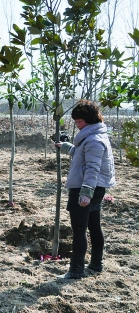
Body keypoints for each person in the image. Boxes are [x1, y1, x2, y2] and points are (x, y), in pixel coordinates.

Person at [55, 100, 116, 279]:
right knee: (94, 226)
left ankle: (76, 270)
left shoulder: (94, 140)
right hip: (95, 189)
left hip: (85, 188)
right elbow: (83, 154)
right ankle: (96, 264)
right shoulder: (94, 135)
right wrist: (66, 147)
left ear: (88, 120)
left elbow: (92, 168)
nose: (77, 125)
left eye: (79, 121)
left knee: (80, 230)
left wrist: (86, 192)